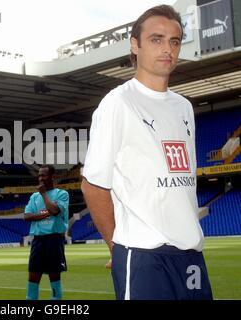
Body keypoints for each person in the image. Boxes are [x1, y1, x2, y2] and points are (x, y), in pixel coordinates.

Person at [81, 5, 213, 300]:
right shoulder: (118, 103)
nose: (167, 48)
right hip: (144, 257)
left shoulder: (183, 107)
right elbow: (92, 186)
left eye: (174, 41)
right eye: (156, 39)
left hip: (191, 255)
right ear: (135, 45)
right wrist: (117, 246)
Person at [24, 165, 69, 300]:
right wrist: (47, 213)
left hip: (54, 240)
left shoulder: (62, 194)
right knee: (32, 279)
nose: (40, 178)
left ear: (53, 177)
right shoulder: (34, 197)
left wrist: (44, 194)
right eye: (39, 175)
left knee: (54, 279)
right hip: (38, 240)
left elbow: (55, 210)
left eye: (43, 175)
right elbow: (27, 217)